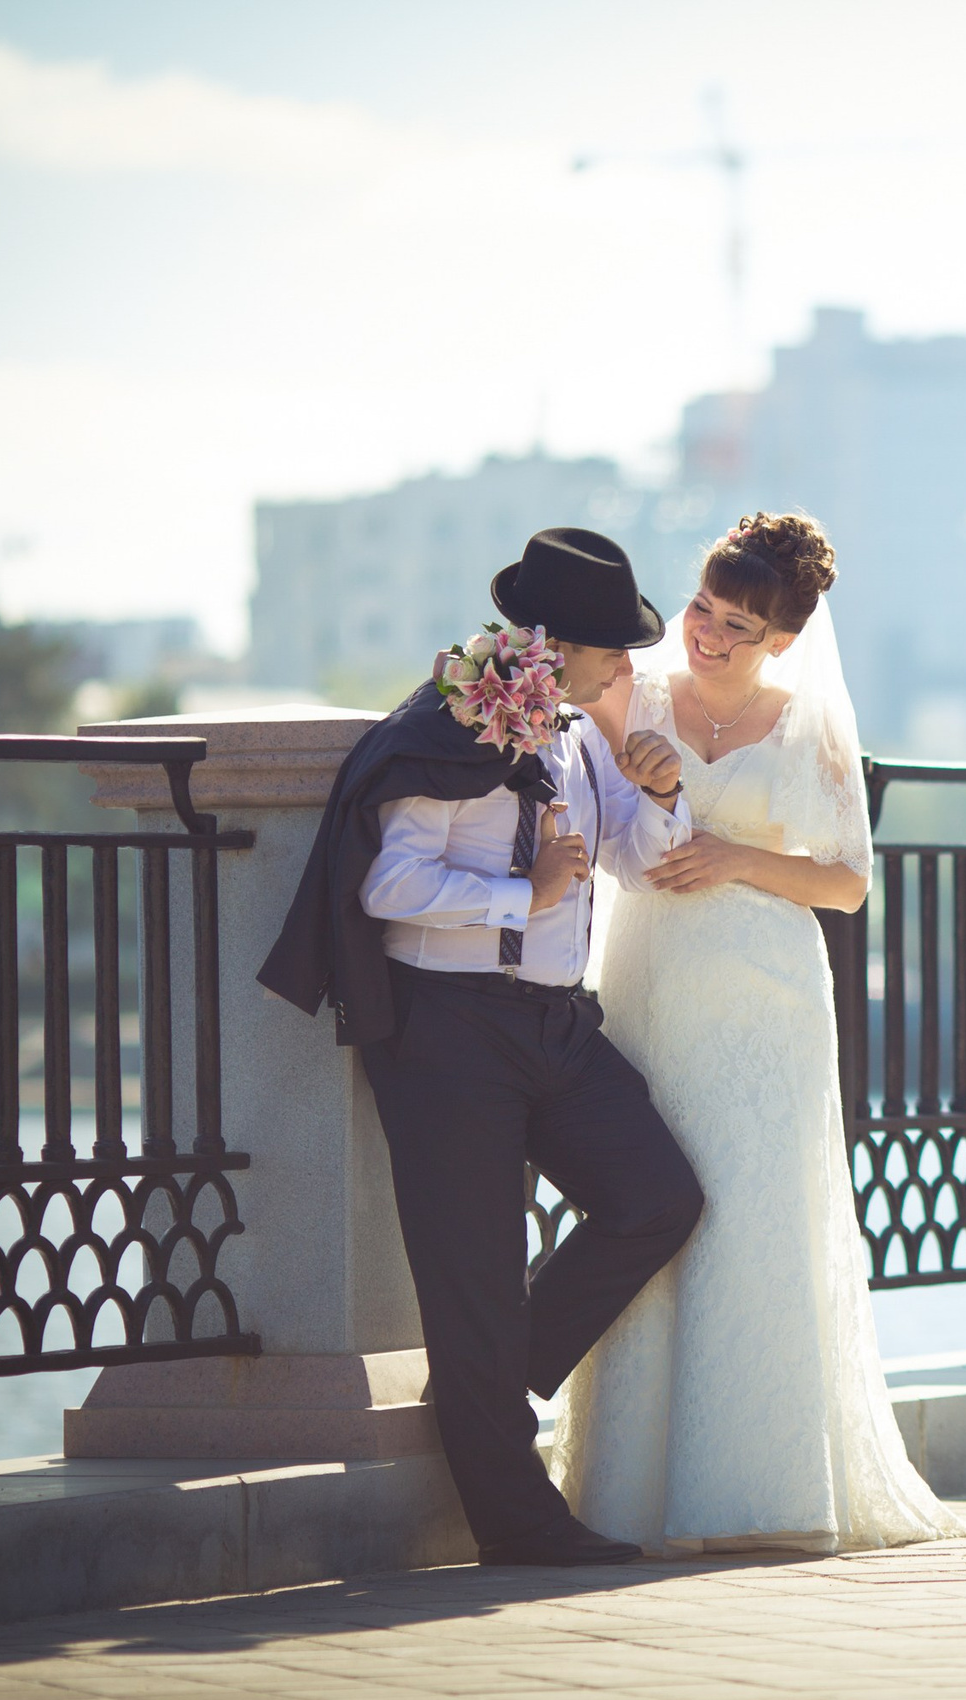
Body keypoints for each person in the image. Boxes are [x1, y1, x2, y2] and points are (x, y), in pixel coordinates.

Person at [258, 526, 706, 1567]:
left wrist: (663, 798)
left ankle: (488, 1376)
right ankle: (521, 1526)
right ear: (555, 646)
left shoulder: (582, 736)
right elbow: (386, 886)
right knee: (475, 1279)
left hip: (557, 1023)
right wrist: (523, 895)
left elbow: (634, 868)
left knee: (657, 1199)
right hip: (448, 1029)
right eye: (614, 648)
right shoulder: (451, 726)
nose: (630, 668)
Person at [554, 511, 965, 1554]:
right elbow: (584, 798)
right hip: (649, 980)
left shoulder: (810, 725)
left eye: (739, 625)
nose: (711, 636)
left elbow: (847, 883)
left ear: (781, 639)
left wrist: (737, 859)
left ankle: (759, 1490)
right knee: (650, 1209)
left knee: (751, 1218)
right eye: (703, 609)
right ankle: (627, 1492)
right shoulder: (630, 691)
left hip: (767, 997)